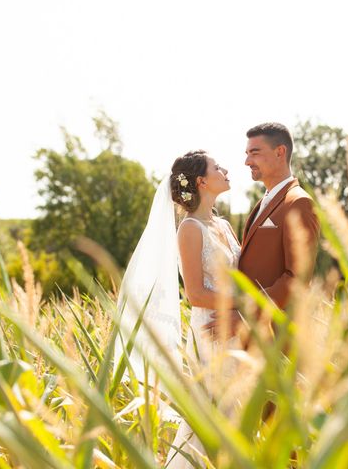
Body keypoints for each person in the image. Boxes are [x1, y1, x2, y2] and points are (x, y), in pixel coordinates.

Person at [113, 150, 241, 469]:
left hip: (238, 328)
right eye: (217, 167)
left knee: (239, 413)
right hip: (211, 333)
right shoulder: (190, 229)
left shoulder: (224, 226)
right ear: (201, 181)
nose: (225, 169)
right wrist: (244, 304)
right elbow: (196, 294)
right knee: (212, 415)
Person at [239, 122, 320, 309]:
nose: (247, 162)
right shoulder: (264, 202)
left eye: (255, 153)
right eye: (247, 154)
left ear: (280, 152)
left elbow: (298, 278)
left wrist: (247, 315)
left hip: (277, 330)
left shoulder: (299, 203)